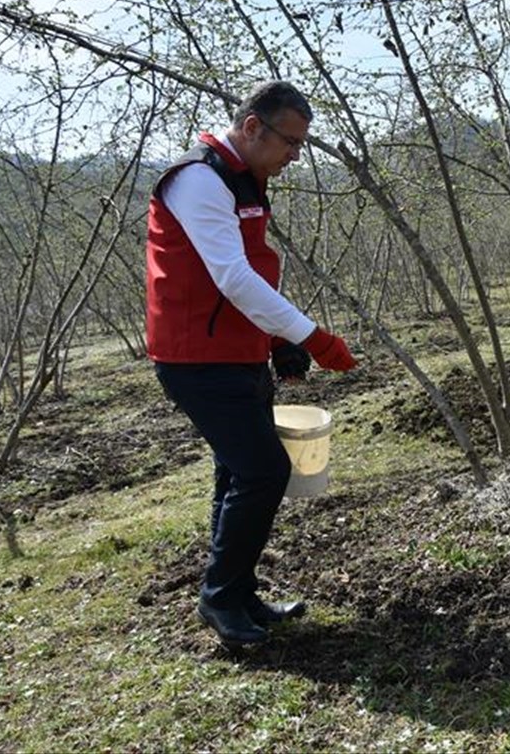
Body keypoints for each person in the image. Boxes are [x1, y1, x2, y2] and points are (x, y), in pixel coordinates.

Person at [146, 81, 357, 645]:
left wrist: (275, 341)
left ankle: (236, 592)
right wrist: (312, 337)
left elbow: (253, 271)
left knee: (237, 472)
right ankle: (219, 599)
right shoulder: (198, 179)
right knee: (264, 471)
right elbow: (232, 278)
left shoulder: (245, 179)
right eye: (290, 142)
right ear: (253, 127)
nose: (295, 155)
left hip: (237, 352)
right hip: (197, 359)